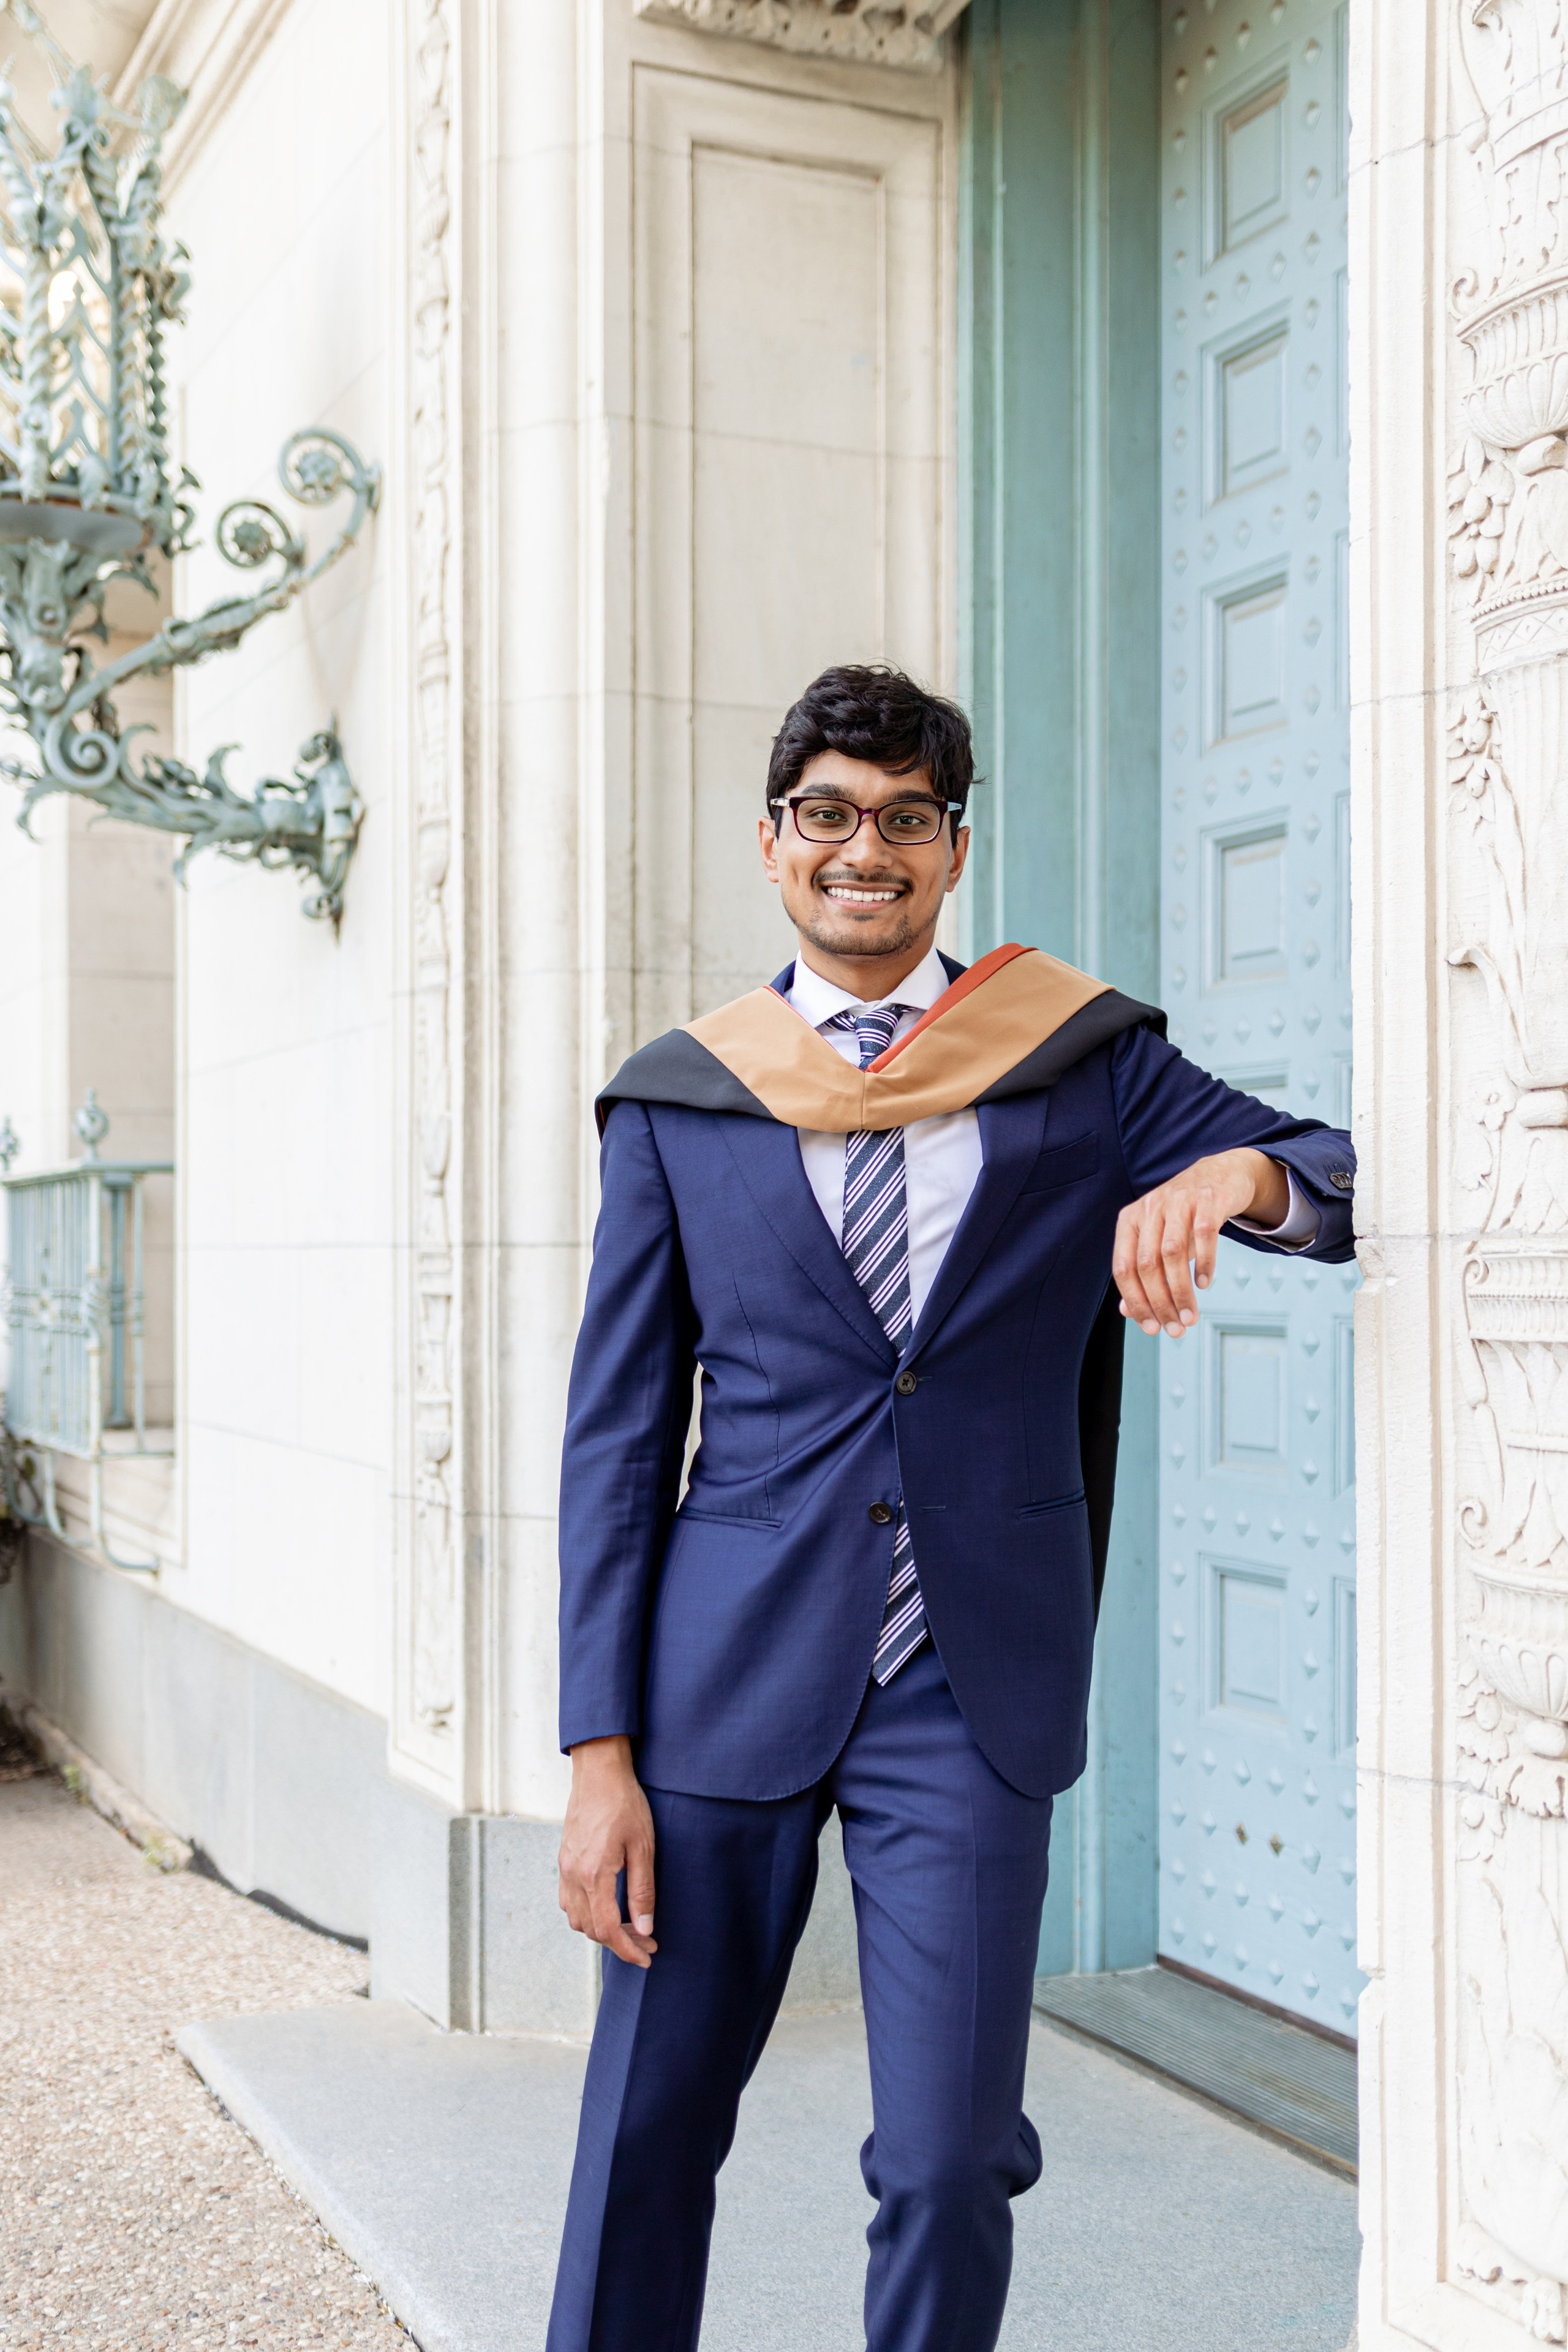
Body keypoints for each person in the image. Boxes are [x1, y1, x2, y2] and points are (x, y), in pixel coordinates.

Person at [546, 665, 1355, 2352]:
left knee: (946, 2164)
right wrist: (595, 1756)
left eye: (905, 817)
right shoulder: (682, 1099)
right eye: (830, 814)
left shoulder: (1077, 1062)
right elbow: (618, 1440)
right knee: (645, 2136)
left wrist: (1230, 1174)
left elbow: (1338, 1175)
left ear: (952, 847)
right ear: (774, 845)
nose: (867, 849)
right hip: (718, 1686)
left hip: (965, 1692)